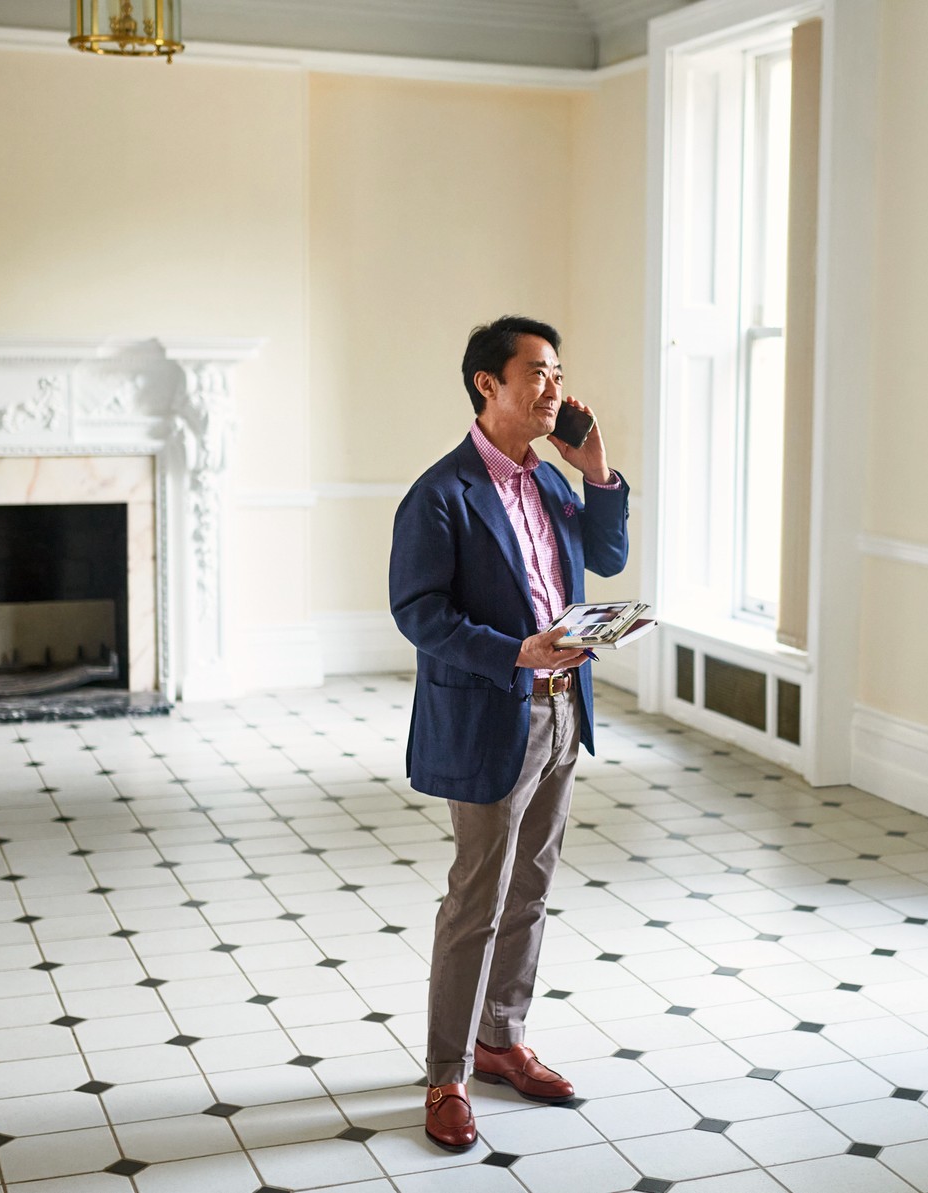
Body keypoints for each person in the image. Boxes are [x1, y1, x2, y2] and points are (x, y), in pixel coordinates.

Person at [388, 315, 629, 1151]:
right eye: (537, 371)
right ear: (488, 384)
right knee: (475, 899)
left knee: (530, 885)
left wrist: (593, 468)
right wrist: (511, 652)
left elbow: (608, 556)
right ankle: (447, 1073)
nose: (554, 387)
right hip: (492, 710)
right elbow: (417, 613)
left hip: (565, 707)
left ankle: (502, 1039)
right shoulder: (440, 492)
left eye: (559, 372)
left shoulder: (555, 483)